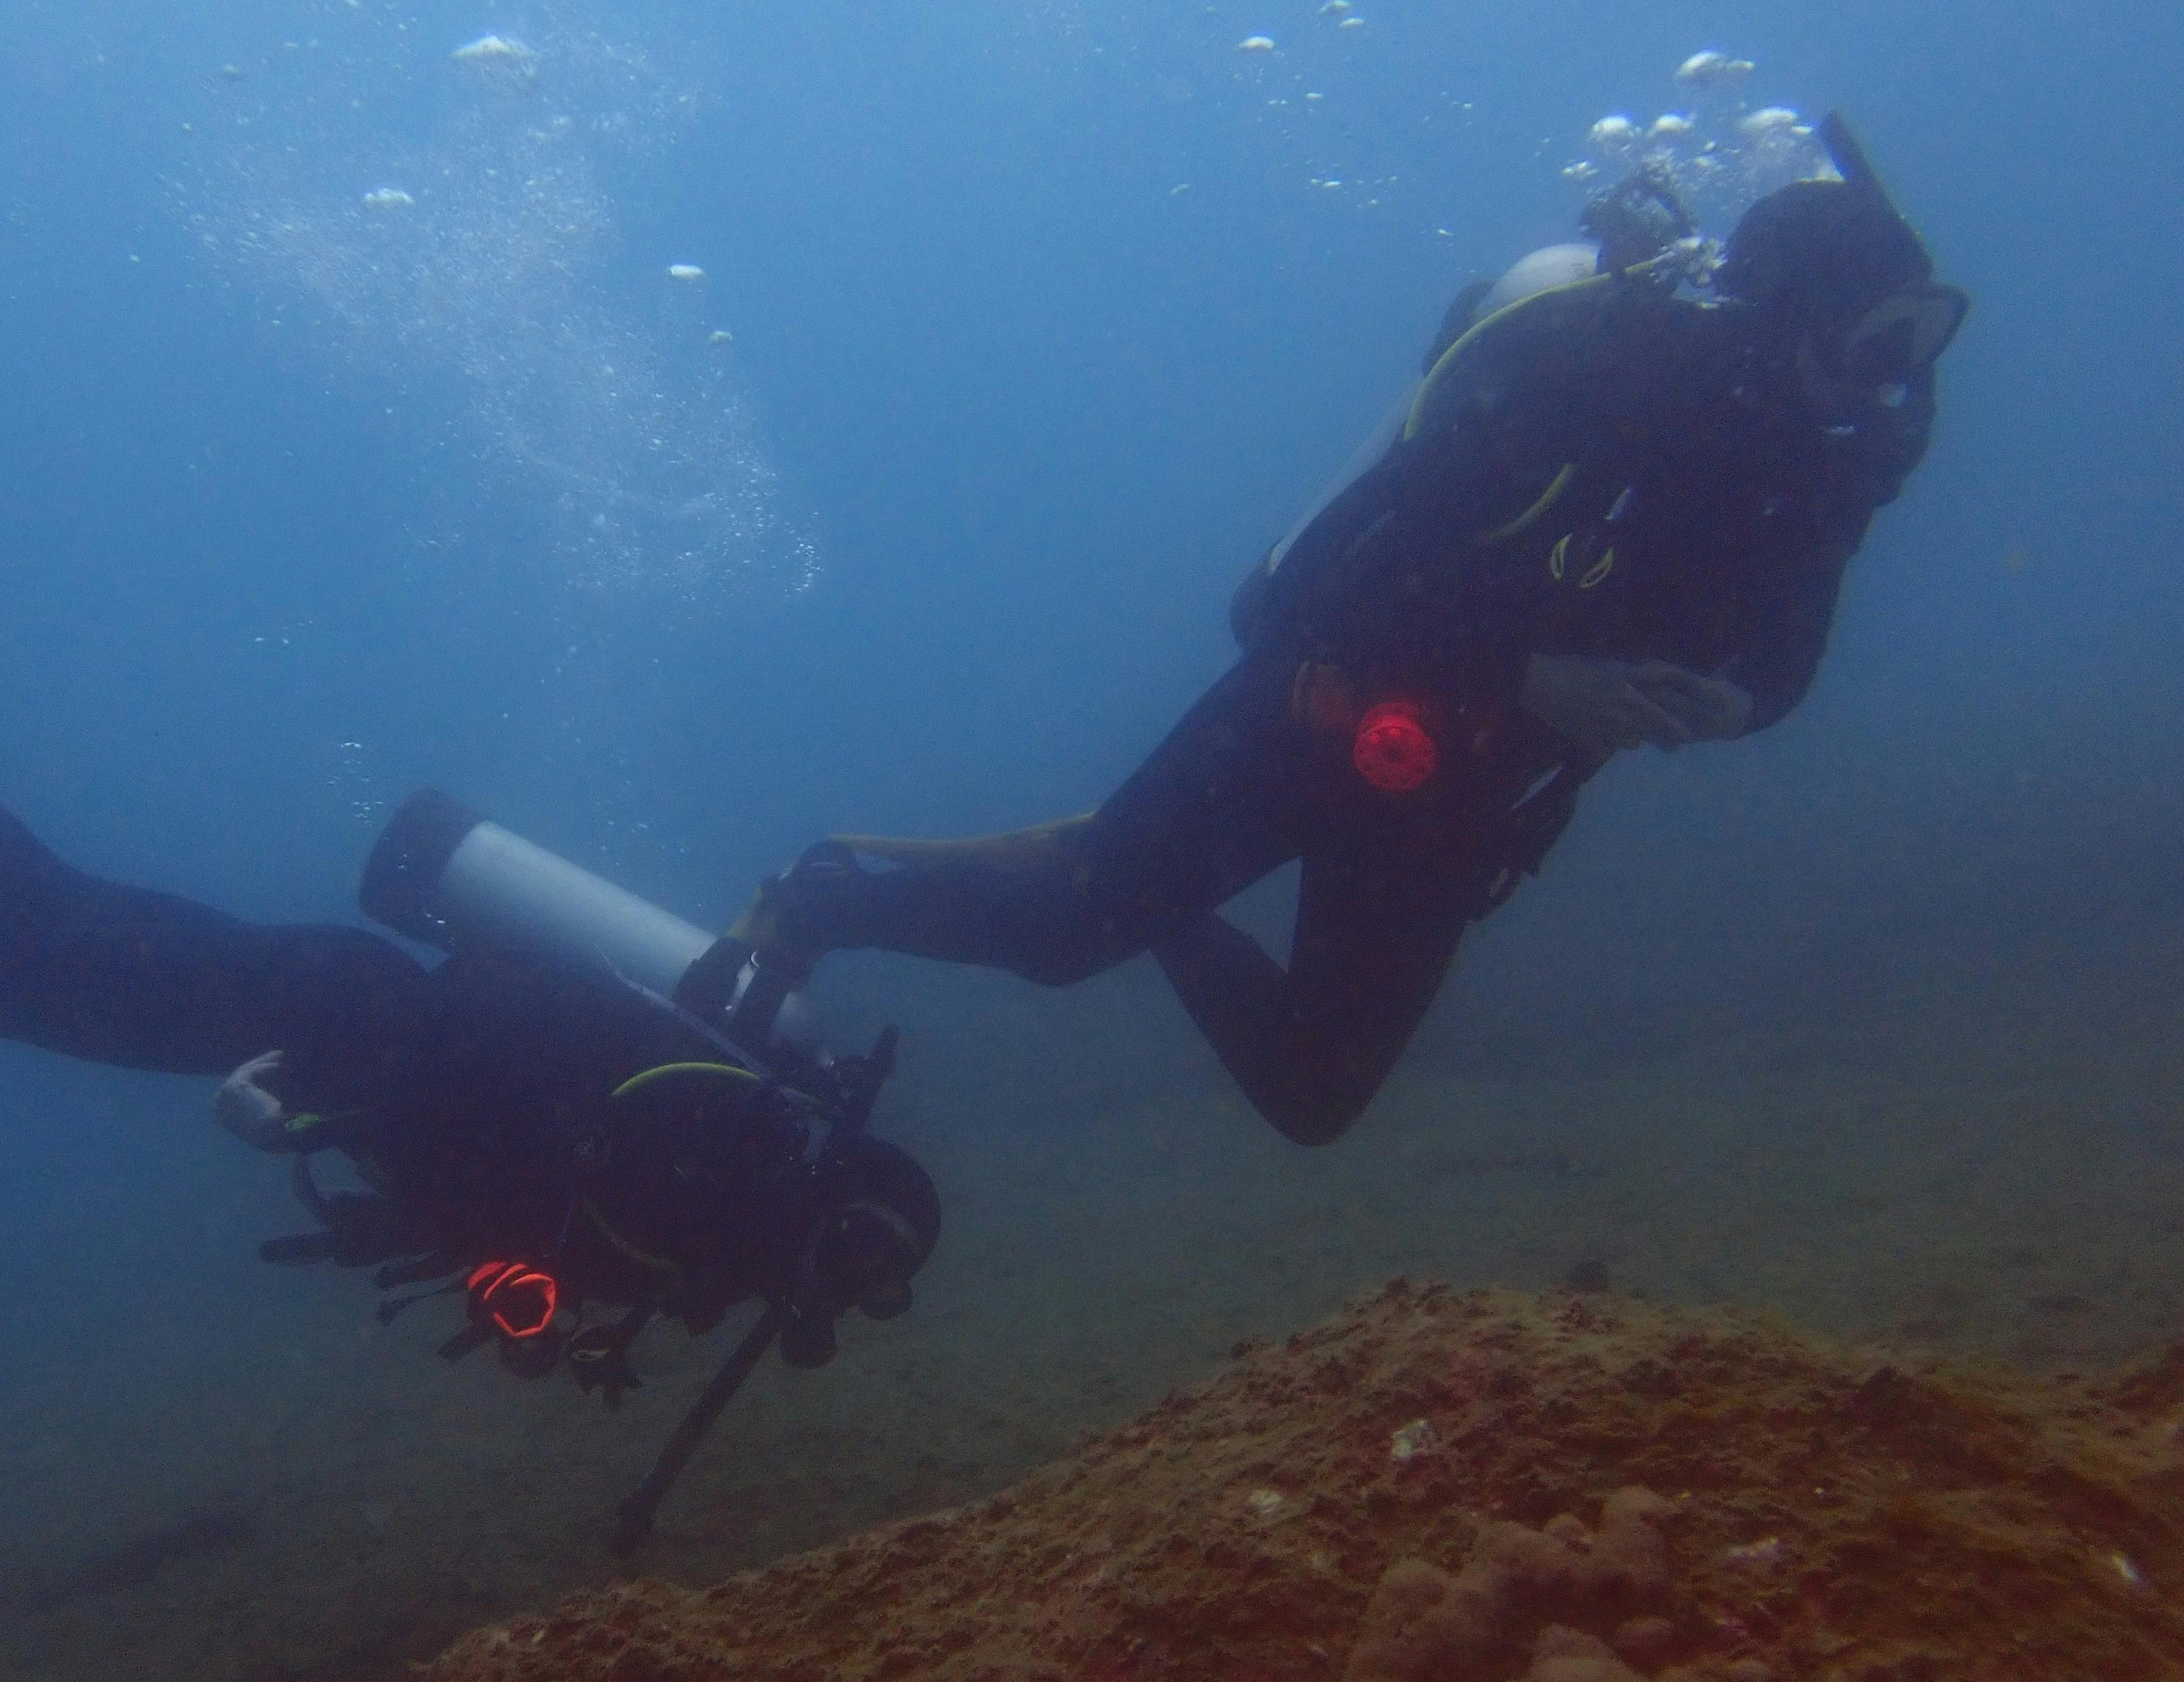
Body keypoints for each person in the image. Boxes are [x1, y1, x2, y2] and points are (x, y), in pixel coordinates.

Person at [0, 549, 937, 1539]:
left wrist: (491, 1281)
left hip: (317, 1013)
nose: (844, 1302)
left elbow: (505, 1195)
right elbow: (504, 1016)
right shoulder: (716, 1147)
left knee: (14, 924)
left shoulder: (702, 1230)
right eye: (866, 1271)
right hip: (317, 1009)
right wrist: (324, 1108)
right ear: (839, 1200)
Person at [717, 114, 1968, 1146]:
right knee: (1060, 941)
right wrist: (1533, 675)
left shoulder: (1816, 471)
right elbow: (1321, 580)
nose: (1899, 380)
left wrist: (1736, 706)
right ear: (1791, 311)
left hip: (1465, 793)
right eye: (1879, 339)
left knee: (1315, 1096)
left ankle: (1140, 885)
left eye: (1922, 340)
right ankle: (829, 895)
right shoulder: (1582, 369)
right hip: (1322, 704)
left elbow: (1790, 662)